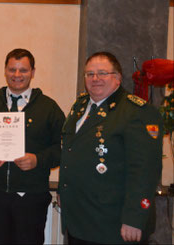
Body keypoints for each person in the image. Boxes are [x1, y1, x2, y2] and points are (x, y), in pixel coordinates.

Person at [59, 51, 163, 244]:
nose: (95, 78)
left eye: (102, 73)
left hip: (114, 225)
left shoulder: (136, 112)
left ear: (117, 78)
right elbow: (72, 152)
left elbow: (144, 171)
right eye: (89, 74)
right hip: (79, 221)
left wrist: (134, 219)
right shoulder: (80, 106)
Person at [0, 48, 65, 244]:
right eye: (12, 69)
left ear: (33, 72)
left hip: (31, 196)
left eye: (23, 70)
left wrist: (38, 160)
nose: (17, 75)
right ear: (5, 70)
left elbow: (63, 148)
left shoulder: (49, 107)